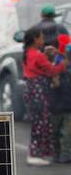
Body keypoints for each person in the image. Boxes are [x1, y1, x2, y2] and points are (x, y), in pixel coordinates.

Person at [22, 28, 63, 166]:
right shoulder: (37, 55)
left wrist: (45, 54)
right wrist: (66, 62)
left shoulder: (29, 53)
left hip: (31, 91)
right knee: (41, 122)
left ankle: (37, 153)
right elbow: (52, 70)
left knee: (37, 122)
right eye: (41, 38)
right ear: (35, 39)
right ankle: (35, 153)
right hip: (38, 91)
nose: (43, 40)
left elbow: (39, 64)